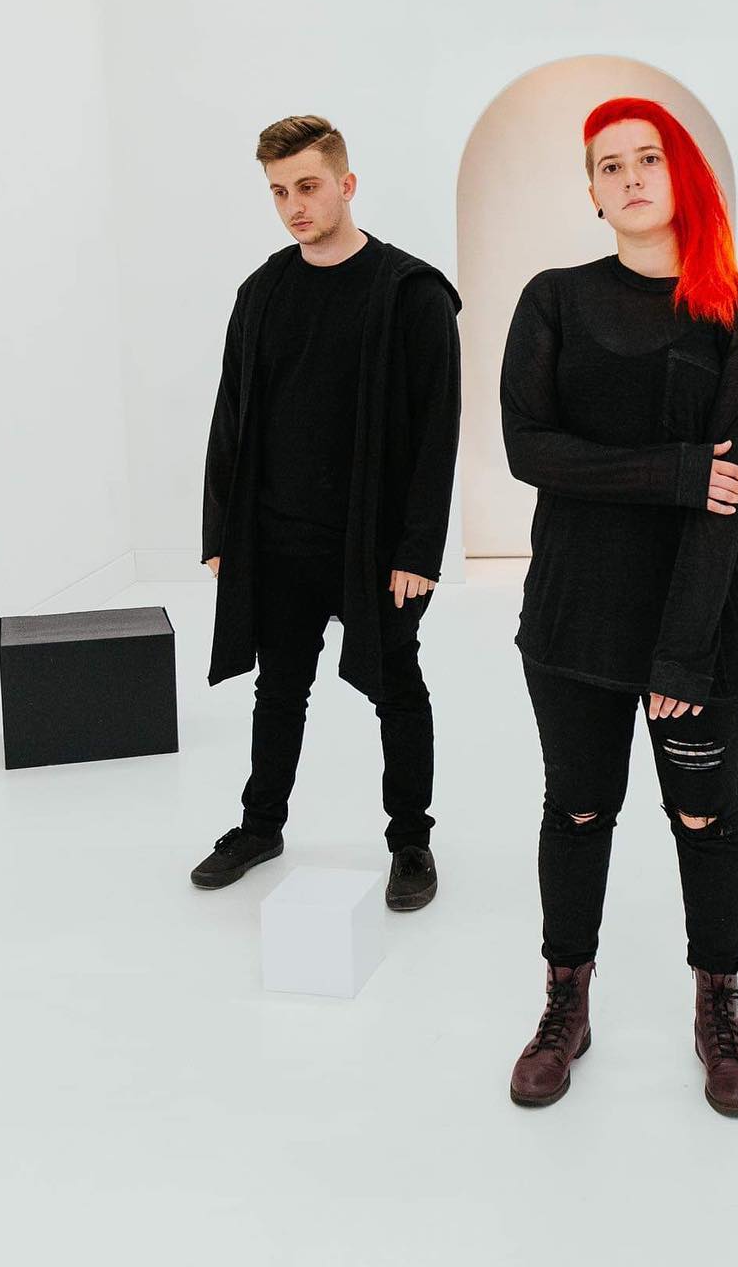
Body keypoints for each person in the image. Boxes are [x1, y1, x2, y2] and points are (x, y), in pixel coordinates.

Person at [500, 98, 738, 1115]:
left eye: (647, 159)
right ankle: (565, 1004)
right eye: (609, 165)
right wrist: (673, 470)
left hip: (700, 619)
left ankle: (718, 1011)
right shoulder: (554, 300)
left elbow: (726, 498)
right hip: (574, 613)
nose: (629, 177)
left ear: (684, 175)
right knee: (578, 809)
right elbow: (527, 449)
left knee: (704, 815)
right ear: (591, 191)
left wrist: (680, 656)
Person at [192, 115, 461, 912]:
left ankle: (410, 841)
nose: (294, 207)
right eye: (279, 192)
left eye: (307, 187)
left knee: (397, 687)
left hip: (375, 546)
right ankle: (259, 826)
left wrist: (418, 549)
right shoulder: (262, 293)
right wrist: (221, 533)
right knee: (279, 688)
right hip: (279, 538)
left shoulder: (411, 294)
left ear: (346, 184)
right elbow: (231, 417)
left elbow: (437, 432)